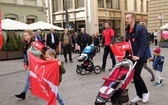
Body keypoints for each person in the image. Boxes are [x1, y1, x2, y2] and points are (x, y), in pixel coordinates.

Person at [125, 12, 149, 103]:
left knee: (136, 75)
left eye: (128, 18)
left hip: (140, 57)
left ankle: (145, 92)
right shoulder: (127, 30)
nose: (126, 20)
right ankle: (139, 95)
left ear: (133, 19)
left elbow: (144, 43)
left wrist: (138, 56)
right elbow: (127, 44)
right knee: (134, 77)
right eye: (126, 18)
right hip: (132, 56)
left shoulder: (140, 29)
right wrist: (124, 55)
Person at [15, 31, 42, 99]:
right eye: (24, 35)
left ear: (30, 36)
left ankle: (23, 93)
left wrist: (31, 51)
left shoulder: (34, 43)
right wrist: (25, 62)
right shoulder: (25, 43)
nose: (24, 37)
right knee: (33, 79)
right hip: (31, 64)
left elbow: (40, 53)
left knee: (29, 79)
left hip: (36, 64)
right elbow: (25, 54)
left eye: (26, 35)